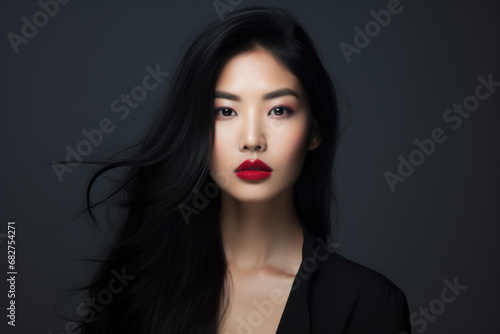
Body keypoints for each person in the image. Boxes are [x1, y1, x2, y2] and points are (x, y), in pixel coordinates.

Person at [74, 5, 411, 334]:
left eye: (278, 110)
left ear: (315, 130)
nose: (252, 139)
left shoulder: (369, 304)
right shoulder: (140, 285)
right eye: (226, 111)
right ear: (197, 129)